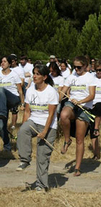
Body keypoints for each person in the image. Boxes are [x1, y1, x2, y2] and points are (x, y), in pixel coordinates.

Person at [16, 64, 58, 192]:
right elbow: (27, 112)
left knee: (42, 157)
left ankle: (41, 185)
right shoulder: (30, 90)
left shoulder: (51, 92)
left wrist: (44, 132)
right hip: (34, 121)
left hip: (48, 125)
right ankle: (25, 160)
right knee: (22, 131)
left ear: (45, 77)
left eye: (37, 74)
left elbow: (51, 115)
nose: (34, 76)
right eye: (34, 73)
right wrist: (24, 125)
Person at [59, 56, 96, 176]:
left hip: (84, 107)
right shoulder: (71, 76)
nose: (76, 69)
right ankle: (67, 139)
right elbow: (63, 91)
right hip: (72, 103)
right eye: (74, 67)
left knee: (80, 139)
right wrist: (57, 100)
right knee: (63, 115)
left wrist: (80, 102)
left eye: (79, 67)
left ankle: (78, 167)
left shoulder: (90, 77)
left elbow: (92, 96)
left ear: (85, 66)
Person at [0, 56, 25, 151]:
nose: (2, 63)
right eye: (1, 61)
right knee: (1, 126)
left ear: (10, 64)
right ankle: (7, 145)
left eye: (5, 61)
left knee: (1, 89)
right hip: (2, 102)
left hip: (13, 99)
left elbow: (20, 90)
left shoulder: (14, 74)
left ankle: (2, 114)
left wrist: (22, 104)